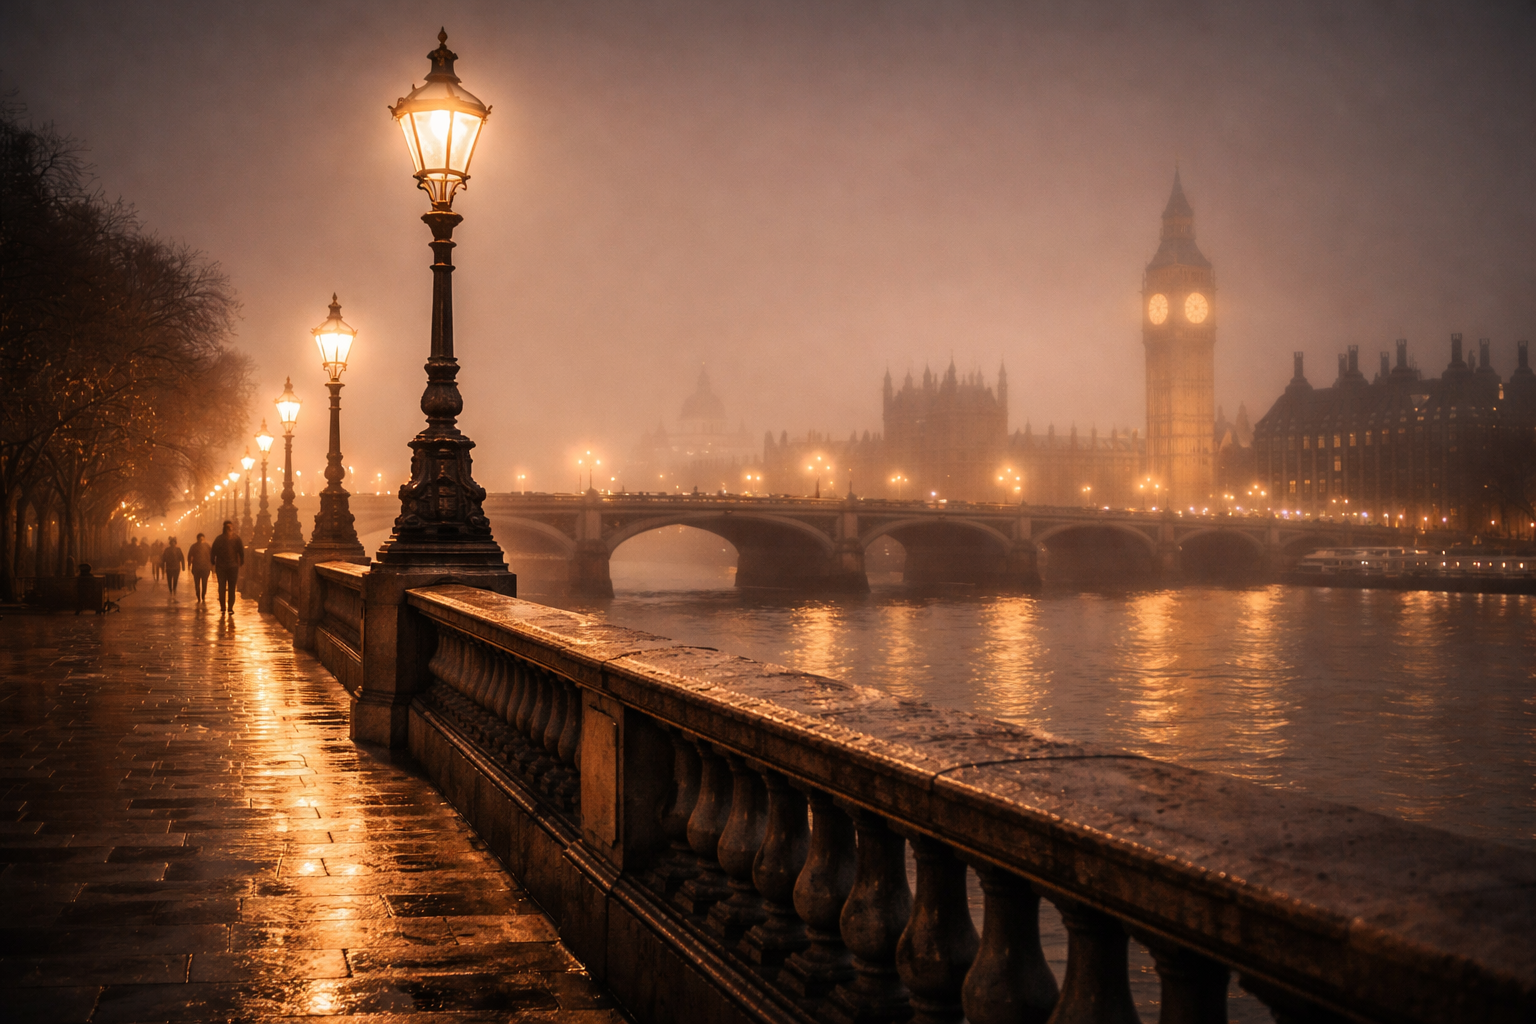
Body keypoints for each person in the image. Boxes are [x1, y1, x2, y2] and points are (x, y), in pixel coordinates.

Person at [209, 520, 244, 616]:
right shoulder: (234, 539)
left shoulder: (221, 539)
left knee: (227, 588)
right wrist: (241, 561)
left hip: (226, 567)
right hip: (227, 567)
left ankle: (227, 607)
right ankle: (226, 607)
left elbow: (213, 552)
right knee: (226, 588)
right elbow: (241, 552)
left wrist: (213, 562)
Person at [188, 533, 213, 606]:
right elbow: (190, 556)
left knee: (204, 583)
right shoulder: (194, 546)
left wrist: (212, 566)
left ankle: (203, 595)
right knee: (197, 583)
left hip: (204, 568)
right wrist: (189, 564)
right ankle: (199, 595)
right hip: (197, 568)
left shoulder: (206, 546)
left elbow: (211, 556)